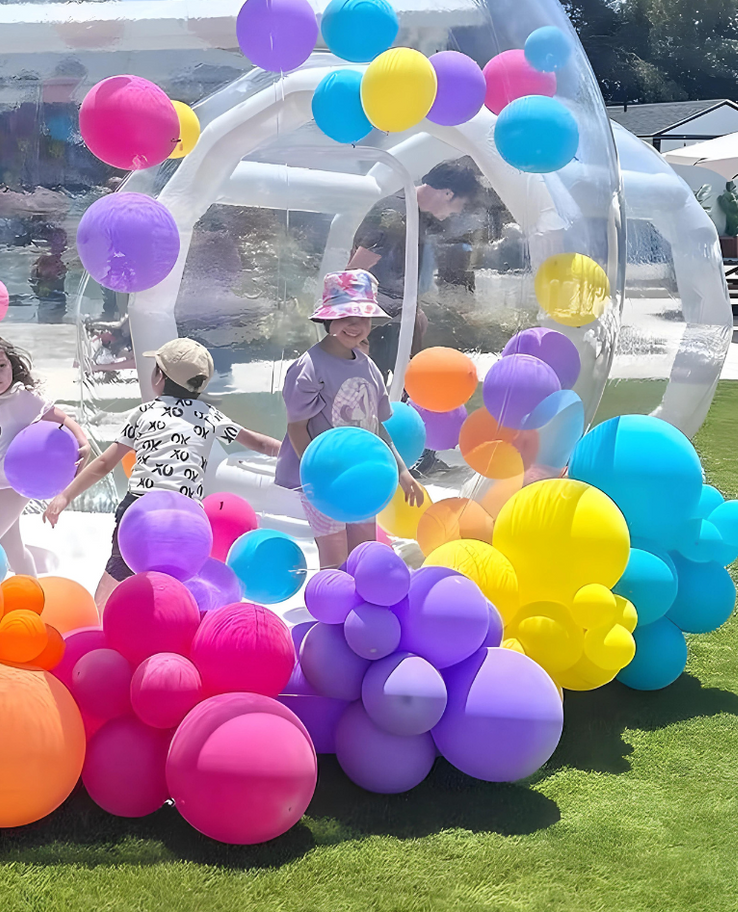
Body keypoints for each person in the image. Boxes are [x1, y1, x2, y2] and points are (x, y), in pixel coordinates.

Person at [44, 337, 280, 608]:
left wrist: (65, 496)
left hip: (142, 507)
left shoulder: (144, 413)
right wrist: (295, 453)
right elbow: (259, 443)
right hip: (187, 512)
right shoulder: (209, 415)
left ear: (159, 376)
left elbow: (103, 464)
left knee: (118, 570)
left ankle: (99, 624)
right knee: (178, 577)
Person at [274, 270, 425, 570]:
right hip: (323, 478)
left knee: (365, 548)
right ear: (328, 320)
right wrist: (316, 475)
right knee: (333, 552)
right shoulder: (309, 368)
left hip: (362, 474)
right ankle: (334, 608)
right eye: (346, 317)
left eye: (363, 318)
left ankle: (362, 609)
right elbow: (297, 428)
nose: (355, 325)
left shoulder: (369, 368)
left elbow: (378, 427)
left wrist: (403, 471)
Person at [0, 332, 89, 577]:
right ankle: (32, 594)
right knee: (12, 548)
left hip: (14, 483)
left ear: (10, 364)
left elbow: (62, 418)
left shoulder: (22, 397)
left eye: (1, 366)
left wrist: (82, 441)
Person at [348, 158, 485, 379]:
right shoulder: (394, 215)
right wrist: (354, 332)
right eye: (461, 204)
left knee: (406, 387)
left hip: (397, 317)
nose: (457, 212)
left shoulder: (415, 212)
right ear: (448, 194)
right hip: (376, 323)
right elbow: (354, 272)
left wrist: (414, 309)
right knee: (373, 390)